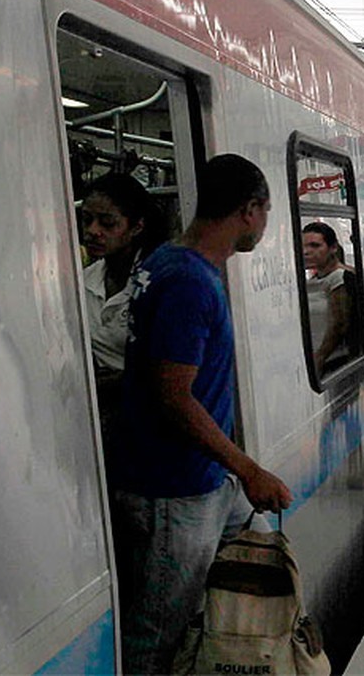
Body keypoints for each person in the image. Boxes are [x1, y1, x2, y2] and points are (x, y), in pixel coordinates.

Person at [111, 154, 294, 674]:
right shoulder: (190, 282)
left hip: (204, 482)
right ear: (250, 210)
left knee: (261, 552)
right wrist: (250, 469)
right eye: (266, 213)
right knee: (160, 632)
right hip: (174, 489)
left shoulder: (168, 261)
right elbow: (174, 396)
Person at [81, 172, 167, 439]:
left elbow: (168, 371)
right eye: (87, 220)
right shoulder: (83, 281)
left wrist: (119, 381)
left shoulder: (158, 282)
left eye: (107, 223)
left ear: (136, 227)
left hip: (154, 420)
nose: (93, 231)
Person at [303, 222, 352, 376]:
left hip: (333, 363)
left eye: (315, 246)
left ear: (333, 248)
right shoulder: (313, 281)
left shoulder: (341, 278)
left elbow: (340, 324)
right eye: (303, 246)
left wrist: (319, 358)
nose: (306, 252)